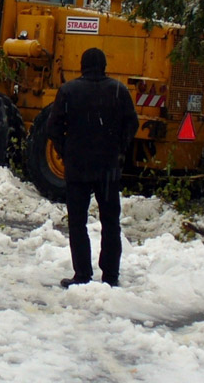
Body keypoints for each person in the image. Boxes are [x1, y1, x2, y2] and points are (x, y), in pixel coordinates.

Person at [46, 47, 139, 288]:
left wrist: (65, 151)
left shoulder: (68, 91)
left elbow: (53, 127)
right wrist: (119, 148)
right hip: (108, 168)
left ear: (82, 66)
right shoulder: (119, 90)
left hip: (78, 168)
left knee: (78, 223)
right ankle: (110, 275)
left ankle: (82, 274)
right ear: (104, 65)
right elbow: (132, 124)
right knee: (111, 223)